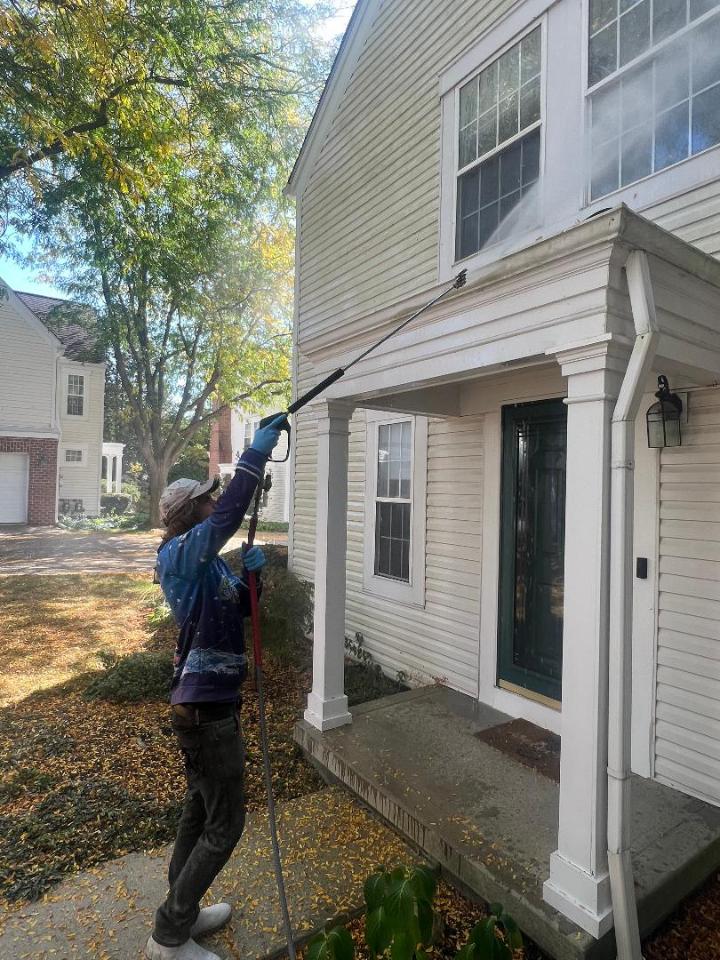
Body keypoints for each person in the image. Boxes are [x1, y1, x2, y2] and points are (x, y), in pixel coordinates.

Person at [145, 415, 288, 960]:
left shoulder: (209, 566)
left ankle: (182, 904)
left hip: (211, 704)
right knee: (226, 821)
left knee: (200, 811)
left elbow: (244, 610)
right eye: (207, 501)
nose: (215, 503)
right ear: (191, 516)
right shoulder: (178, 557)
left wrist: (254, 576)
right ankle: (169, 935)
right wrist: (253, 456)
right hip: (203, 709)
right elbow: (230, 515)